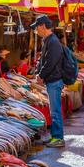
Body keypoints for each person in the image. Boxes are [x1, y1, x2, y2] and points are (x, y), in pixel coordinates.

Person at [31, 15, 65, 148]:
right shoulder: (47, 40)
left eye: (37, 27)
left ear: (43, 26)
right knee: (54, 110)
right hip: (51, 81)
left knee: (55, 111)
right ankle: (55, 136)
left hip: (54, 81)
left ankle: (58, 138)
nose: (36, 31)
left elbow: (51, 62)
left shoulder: (53, 42)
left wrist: (41, 76)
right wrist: (38, 70)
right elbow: (44, 59)